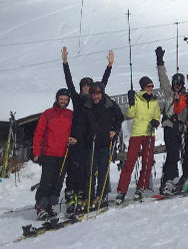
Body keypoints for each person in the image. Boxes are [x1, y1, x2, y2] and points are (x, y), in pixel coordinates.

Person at [61, 46, 112, 215]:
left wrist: (109, 67)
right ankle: (71, 194)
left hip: (90, 138)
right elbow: (68, 82)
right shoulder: (77, 99)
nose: (86, 88)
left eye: (88, 86)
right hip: (77, 137)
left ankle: (85, 194)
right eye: (84, 86)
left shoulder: (94, 100)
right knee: (73, 167)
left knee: (87, 168)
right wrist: (65, 63)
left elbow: (103, 83)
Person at [73, 82, 123, 210]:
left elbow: (119, 117)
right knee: (90, 172)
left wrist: (115, 130)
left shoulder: (109, 104)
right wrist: (77, 137)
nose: (96, 97)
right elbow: (81, 125)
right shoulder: (87, 106)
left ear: (102, 93)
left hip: (105, 143)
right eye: (94, 94)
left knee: (102, 171)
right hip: (91, 144)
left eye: (98, 94)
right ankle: (89, 196)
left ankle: (101, 195)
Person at [115, 75, 161, 204]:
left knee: (147, 162)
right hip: (137, 133)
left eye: (152, 86)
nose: (150, 89)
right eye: (148, 87)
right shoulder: (137, 98)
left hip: (149, 133)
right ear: (143, 87)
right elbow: (130, 114)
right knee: (130, 162)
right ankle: (121, 191)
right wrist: (130, 103)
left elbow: (157, 114)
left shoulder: (154, 101)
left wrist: (156, 121)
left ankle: (141, 188)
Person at [32, 89, 75, 219]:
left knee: (58, 181)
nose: (63, 101)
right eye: (61, 99)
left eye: (66, 99)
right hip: (49, 153)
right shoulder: (48, 114)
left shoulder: (70, 114)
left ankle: (51, 204)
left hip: (64, 154)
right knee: (46, 181)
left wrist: (74, 139)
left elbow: (75, 131)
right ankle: (41, 205)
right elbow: (38, 133)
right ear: (57, 99)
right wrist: (36, 152)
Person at [154, 46, 187, 195]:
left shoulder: (186, 96)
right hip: (170, 125)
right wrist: (160, 61)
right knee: (173, 153)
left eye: (179, 84)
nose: (177, 87)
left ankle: (174, 179)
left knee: (180, 154)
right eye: (175, 84)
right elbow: (163, 78)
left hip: (182, 128)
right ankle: (169, 180)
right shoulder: (169, 93)